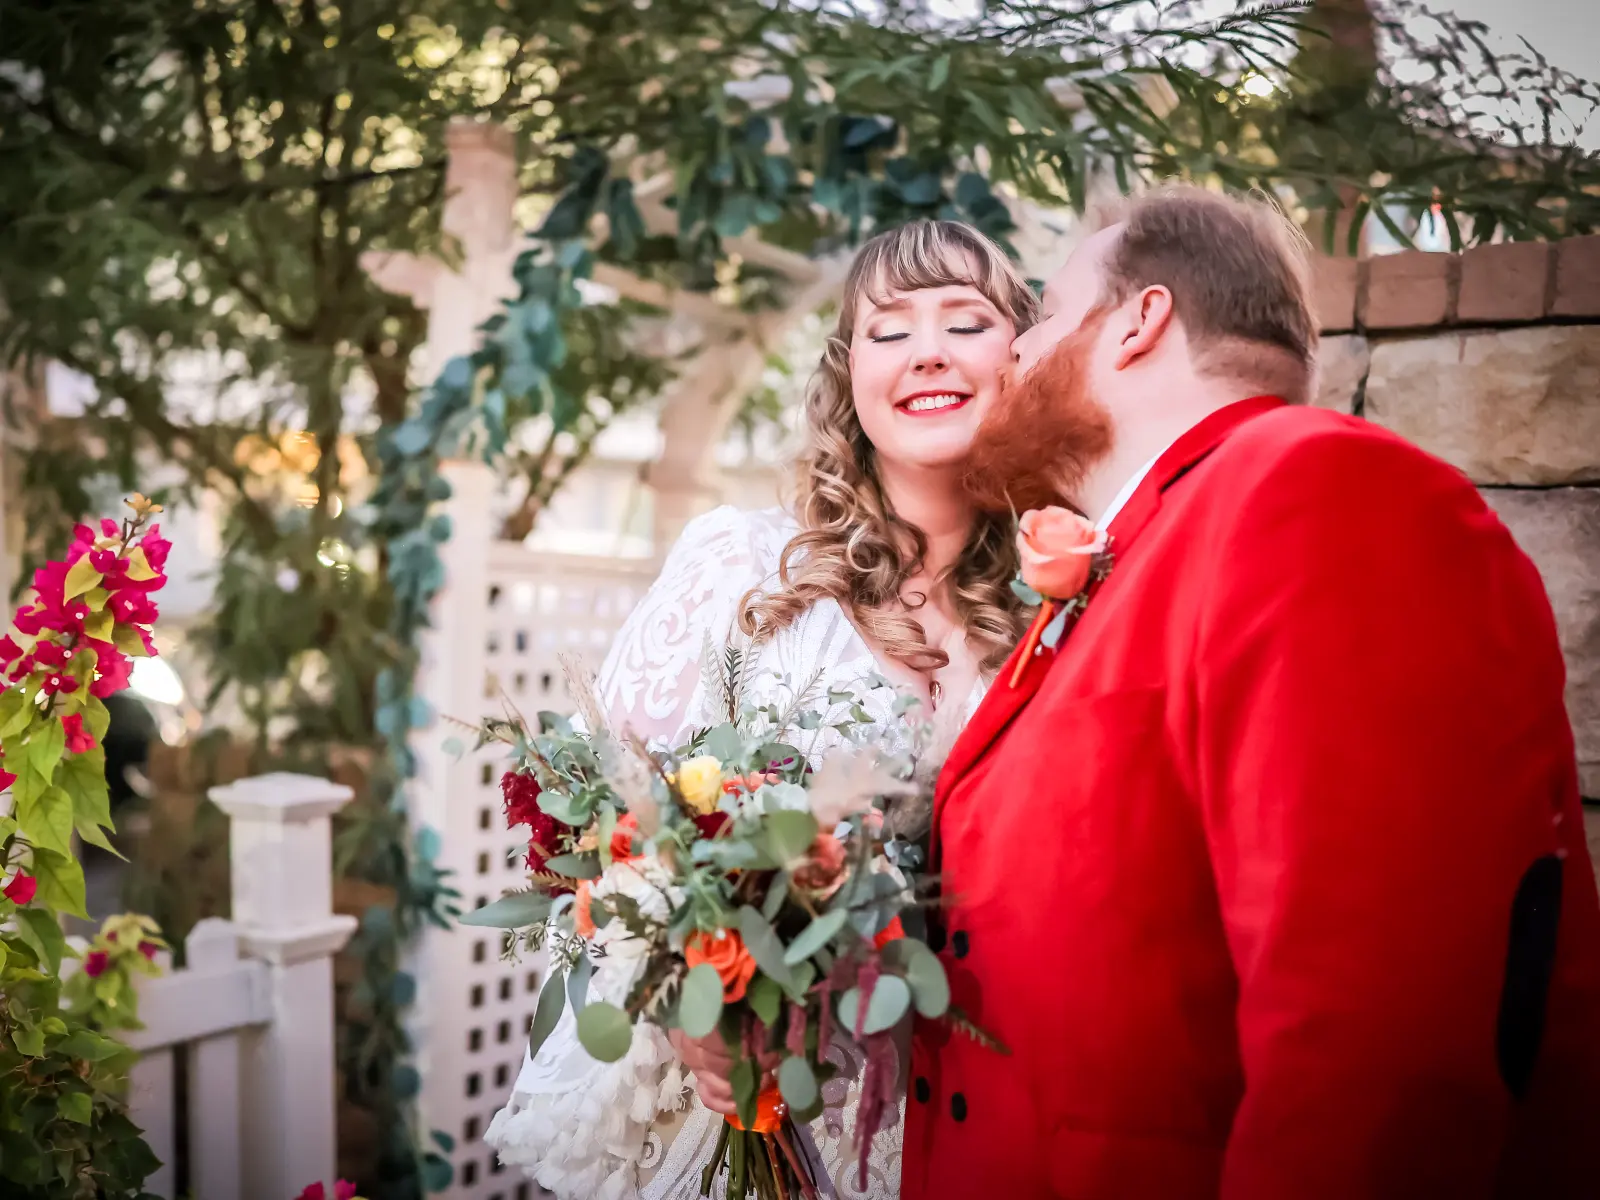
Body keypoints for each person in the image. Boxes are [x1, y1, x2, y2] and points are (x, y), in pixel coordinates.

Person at [895, 185, 1600, 1198]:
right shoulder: (1133, 560)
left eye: (1044, 313)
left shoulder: (1321, 490)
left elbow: (1374, 1038)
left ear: (1139, 321)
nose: (1008, 350)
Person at [485, 218, 1040, 1200]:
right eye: (889, 329)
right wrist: (688, 997)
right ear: (848, 372)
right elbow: (604, 832)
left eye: (966, 320)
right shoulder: (743, 566)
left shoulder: (1054, 620)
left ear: (1023, 356)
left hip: (938, 1116)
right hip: (718, 1110)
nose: (928, 354)